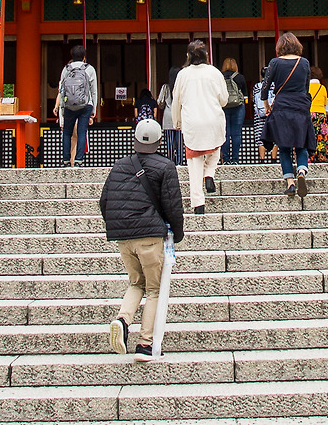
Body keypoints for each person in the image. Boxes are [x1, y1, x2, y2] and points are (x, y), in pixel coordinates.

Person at [99, 119, 184, 363]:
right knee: (154, 289)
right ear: (160, 141)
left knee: (136, 283)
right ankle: (146, 344)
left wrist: (119, 227)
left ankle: (123, 319)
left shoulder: (119, 166)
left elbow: (104, 201)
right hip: (150, 237)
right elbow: (173, 205)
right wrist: (177, 234)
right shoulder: (166, 166)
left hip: (124, 238)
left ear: (135, 140)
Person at [172, 40, 229, 215]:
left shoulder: (183, 75)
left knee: (194, 163)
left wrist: (177, 122)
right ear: (207, 55)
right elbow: (224, 100)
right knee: (215, 149)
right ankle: (209, 174)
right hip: (213, 120)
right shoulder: (215, 72)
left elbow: (176, 100)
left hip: (192, 123)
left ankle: (198, 203)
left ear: (188, 56)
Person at [261, 32, 312, 196]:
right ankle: (302, 171)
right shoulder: (304, 62)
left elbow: (265, 88)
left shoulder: (275, 62)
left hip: (282, 107)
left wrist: (267, 106)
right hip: (300, 106)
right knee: (301, 144)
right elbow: (306, 88)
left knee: (284, 147)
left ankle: (290, 183)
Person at [56, 45, 98, 167]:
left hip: (69, 106)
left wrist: (62, 109)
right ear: (84, 57)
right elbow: (94, 91)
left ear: (72, 56)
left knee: (67, 133)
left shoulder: (66, 69)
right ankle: (79, 160)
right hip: (85, 105)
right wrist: (93, 109)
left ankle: (66, 160)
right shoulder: (89, 69)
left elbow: (62, 91)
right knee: (81, 132)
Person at [219, 58, 247, 165]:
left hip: (224, 107)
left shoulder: (220, 77)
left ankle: (225, 159)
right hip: (238, 107)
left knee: (225, 134)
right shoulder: (240, 77)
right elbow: (245, 96)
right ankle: (235, 159)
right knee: (236, 134)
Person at [308, 66, 328, 163]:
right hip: (321, 114)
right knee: (322, 136)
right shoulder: (322, 88)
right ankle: (323, 157)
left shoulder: (306, 88)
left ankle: (310, 156)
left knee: (309, 136)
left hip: (309, 113)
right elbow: (325, 102)